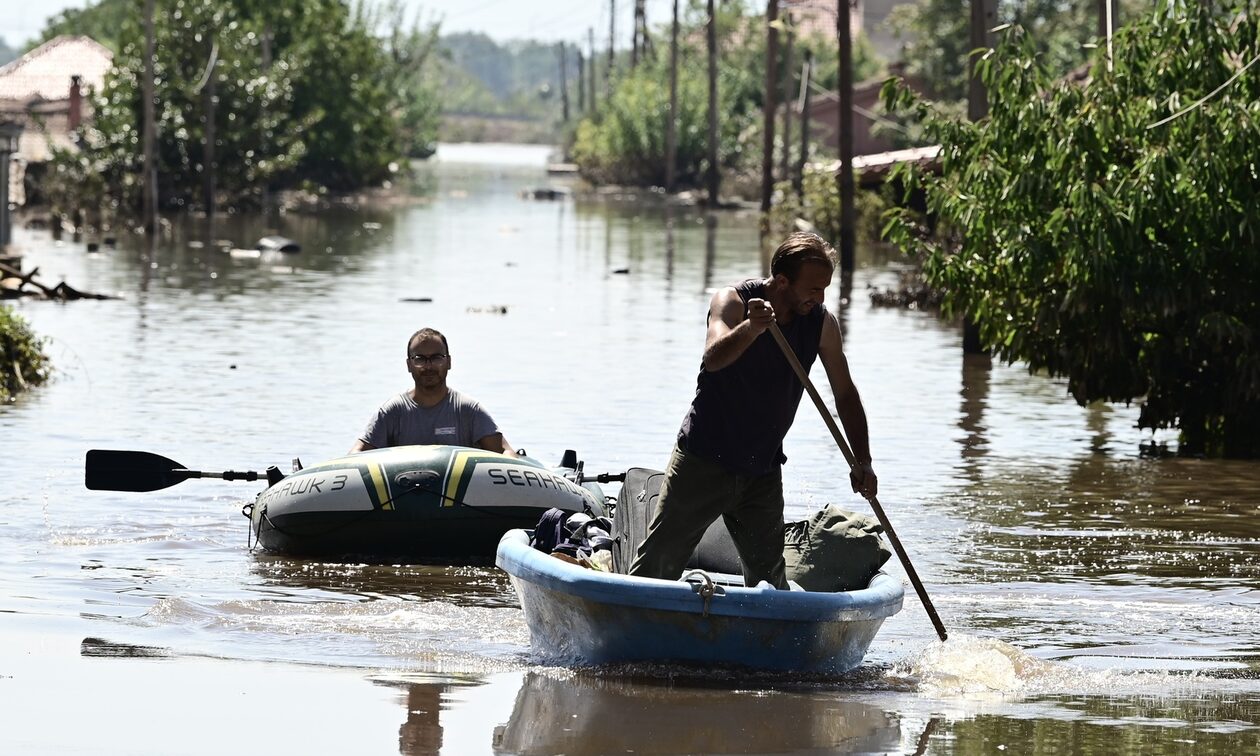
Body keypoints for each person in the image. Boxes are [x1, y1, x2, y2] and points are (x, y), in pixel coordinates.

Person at [629, 232, 877, 589]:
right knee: (657, 567)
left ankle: (765, 638)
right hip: (704, 460)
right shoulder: (731, 301)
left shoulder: (822, 324)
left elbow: (845, 393)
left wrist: (863, 460)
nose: (819, 298)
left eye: (825, 289)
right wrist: (751, 328)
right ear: (781, 281)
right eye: (812, 289)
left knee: (770, 584)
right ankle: (631, 630)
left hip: (761, 468)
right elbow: (713, 359)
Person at [350, 328, 515, 455]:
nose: (428, 366)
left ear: (449, 362)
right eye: (420, 359)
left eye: (436, 358)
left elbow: (506, 453)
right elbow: (355, 456)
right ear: (408, 365)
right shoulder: (392, 412)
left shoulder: (468, 410)